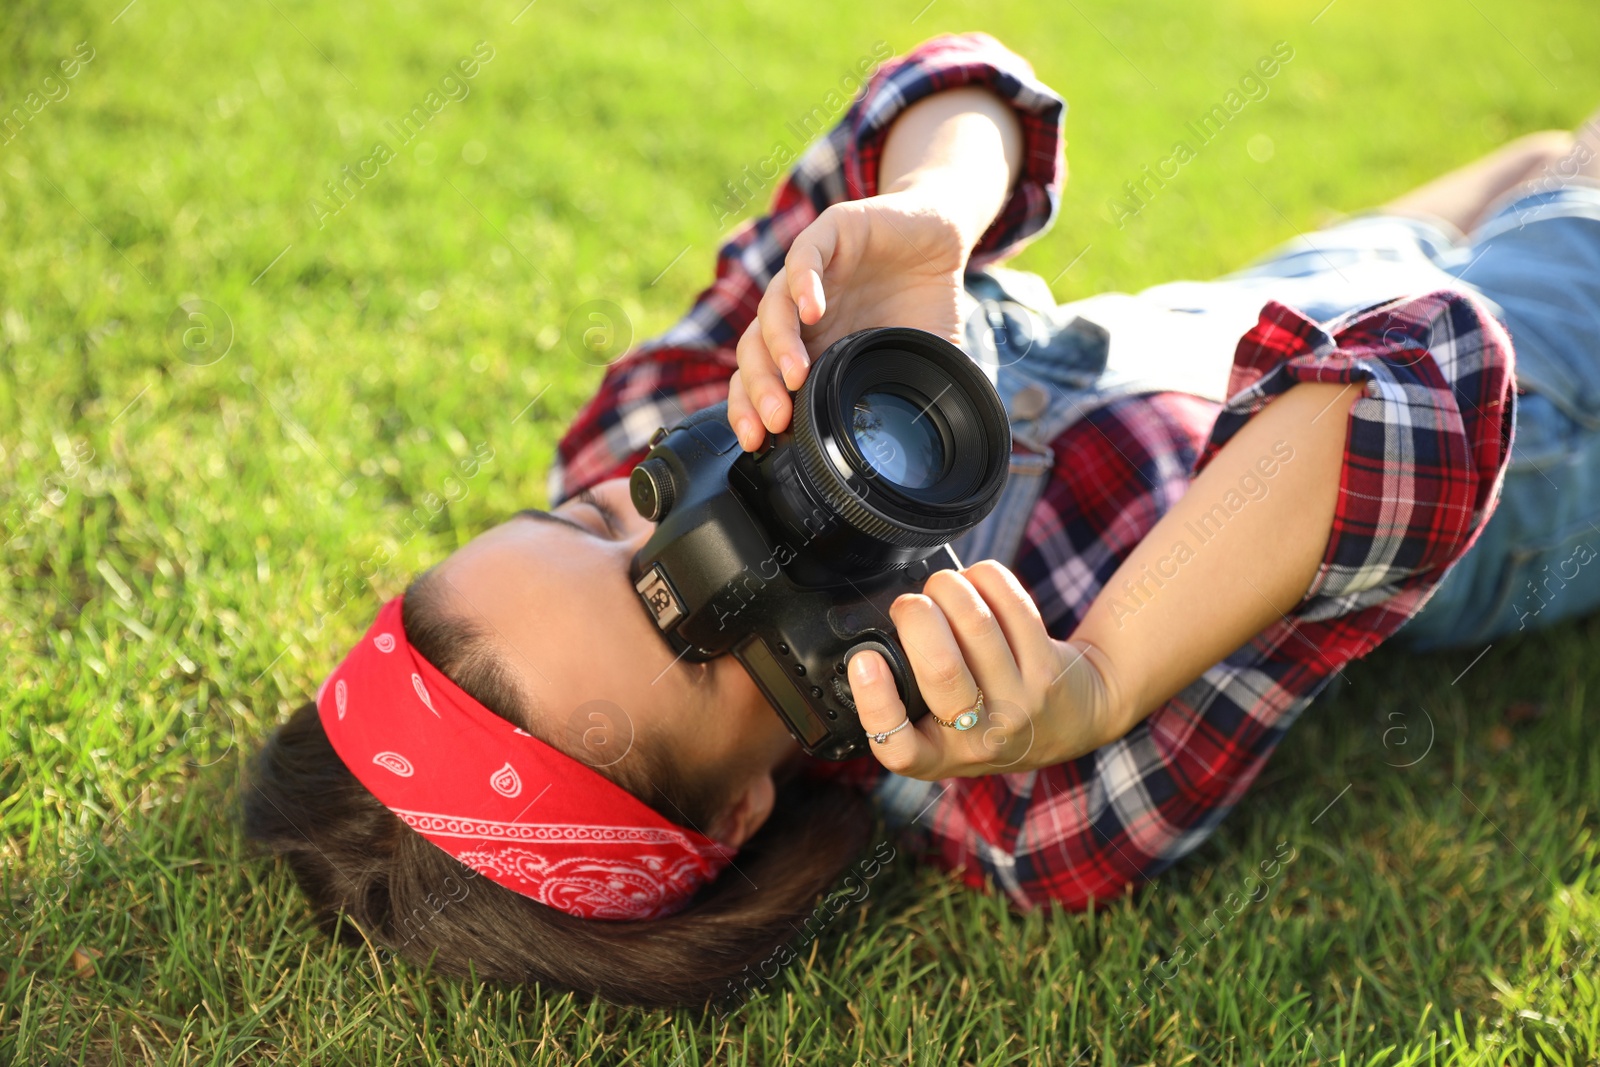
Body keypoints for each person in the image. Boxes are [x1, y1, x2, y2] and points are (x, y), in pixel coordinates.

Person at [245, 33, 1600, 1008]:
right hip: (1535, 433)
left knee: (1539, 154)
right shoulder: (1031, 797)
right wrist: (1098, 678)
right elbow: (1417, 370)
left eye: (608, 520)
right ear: (736, 811)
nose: (717, 514)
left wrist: (930, 222)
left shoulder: (670, 413)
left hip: (1262, 299)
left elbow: (951, 83)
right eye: (709, 622)